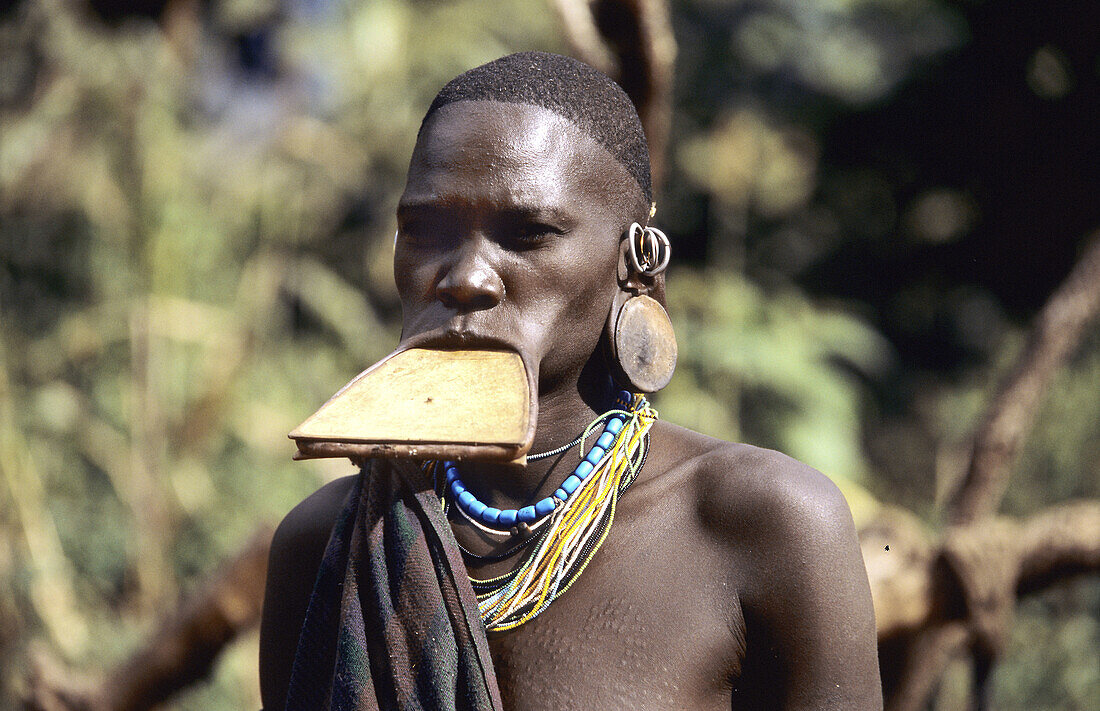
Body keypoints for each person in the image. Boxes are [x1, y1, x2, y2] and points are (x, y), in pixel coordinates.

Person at [259, 52, 881, 711]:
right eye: (426, 231)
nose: (466, 277)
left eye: (528, 233)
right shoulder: (330, 542)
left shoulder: (764, 522)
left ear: (636, 265)